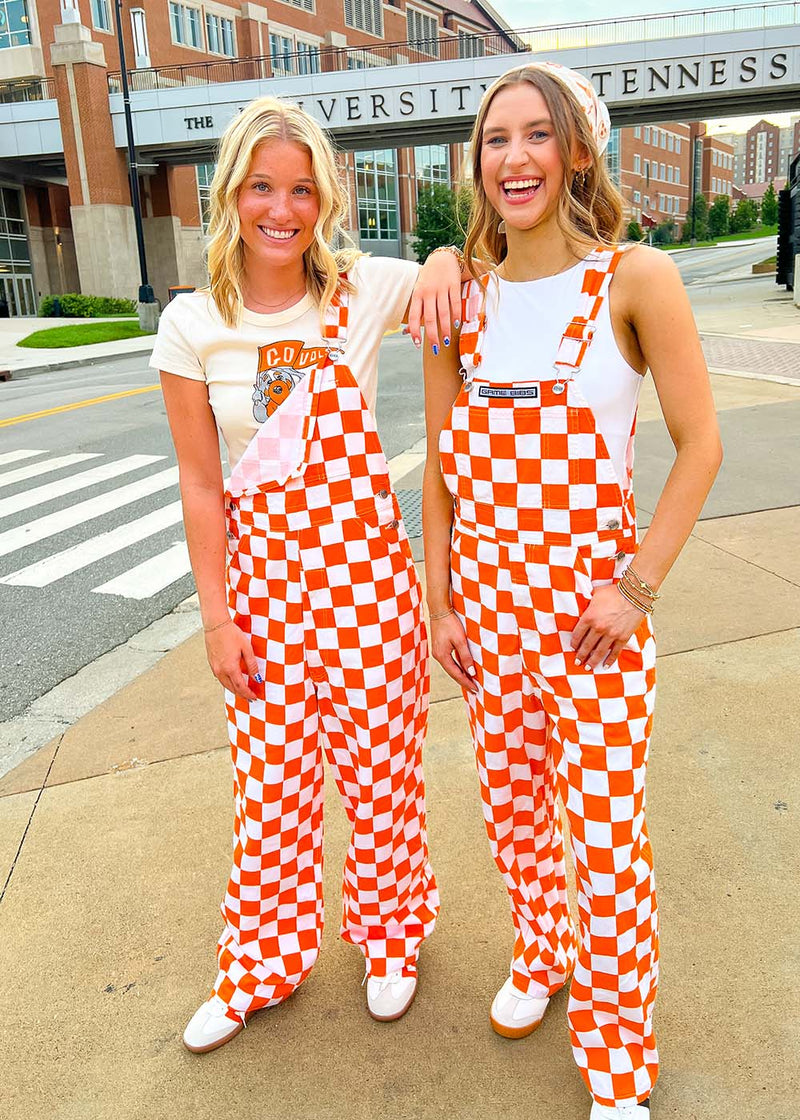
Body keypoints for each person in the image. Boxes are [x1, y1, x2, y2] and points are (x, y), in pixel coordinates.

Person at [422, 63, 722, 1120]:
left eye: (533, 136)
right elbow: (441, 469)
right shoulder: (457, 293)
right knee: (511, 815)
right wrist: (439, 605)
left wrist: (634, 588)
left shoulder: (634, 280)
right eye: (493, 139)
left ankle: (615, 1061)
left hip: (592, 630)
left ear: (576, 152)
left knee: (603, 839)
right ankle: (538, 951)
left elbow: (699, 447)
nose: (511, 157)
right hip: (488, 628)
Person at [151, 96, 462, 1053]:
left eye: (300, 190)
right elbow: (203, 487)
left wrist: (447, 256)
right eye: (261, 188)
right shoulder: (192, 324)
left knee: (381, 777)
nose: (280, 210)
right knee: (273, 792)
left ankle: (391, 940)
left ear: (323, 197)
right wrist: (216, 619)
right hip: (265, 601)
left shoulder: (362, 290)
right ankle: (260, 965)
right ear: (230, 195)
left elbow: (463, 273)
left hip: (367, 591)